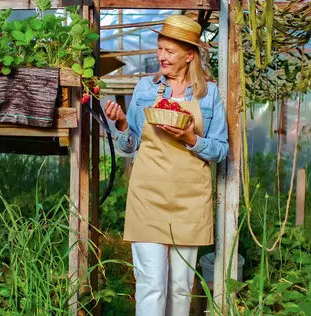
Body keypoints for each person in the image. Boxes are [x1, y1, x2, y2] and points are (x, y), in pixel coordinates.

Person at [104, 15, 229, 316]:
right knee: (151, 283)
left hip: (189, 201)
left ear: (189, 55)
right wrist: (121, 124)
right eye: (160, 48)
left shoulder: (209, 95)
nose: (161, 56)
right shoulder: (145, 88)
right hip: (148, 197)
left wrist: (191, 138)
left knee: (180, 286)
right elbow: (131, 144)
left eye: (169, 51)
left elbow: (221, 150)